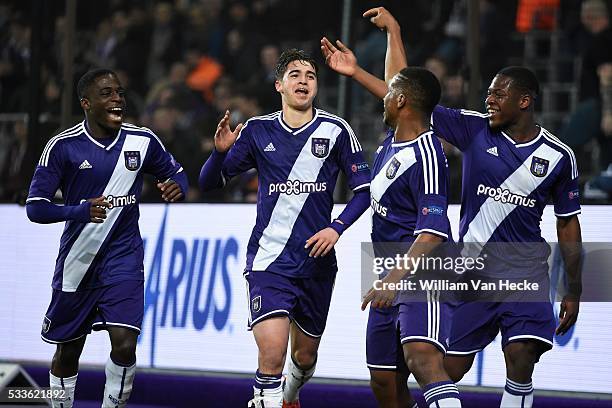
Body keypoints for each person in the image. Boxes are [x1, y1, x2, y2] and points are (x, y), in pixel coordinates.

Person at [322, 7, 582, 408]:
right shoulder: (475, 128)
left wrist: (574, 288)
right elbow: (405, 94)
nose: (488, 99)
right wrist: (393, 34)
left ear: (525, 101)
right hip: (472, 271)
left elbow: (567, 226)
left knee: (520, 357)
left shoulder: (559, 156)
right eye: (489, 92)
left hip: (524, 270)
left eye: (498, 94)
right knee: (447, 369)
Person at [198, 49, 371, 408]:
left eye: (310, 75)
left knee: (304, 358)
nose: (304, 80)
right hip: (269, 262)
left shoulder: (336, 130)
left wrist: (336, 228)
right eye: (295, 74)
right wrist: (218, 153)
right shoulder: (257, 131)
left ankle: (289, 397)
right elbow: (209, 182)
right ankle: (267, 398)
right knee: (272, 357)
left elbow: (364, 192)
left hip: (316, 264)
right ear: (279, 85)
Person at [25, 68, 188, 408]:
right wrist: (78, 211)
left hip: (123, 258)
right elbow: (35, 208)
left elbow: (177, 174)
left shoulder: (142, 140)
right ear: (86, 103)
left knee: (125, 344)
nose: (117, 99)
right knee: (68, 351)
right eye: (106, 93)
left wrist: (177, 187)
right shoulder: (63, 146)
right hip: (78, 261)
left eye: (119, 92)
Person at [355, 66, 462, 407]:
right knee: (384, 380)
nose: (383, 97)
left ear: (401, 101)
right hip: (387, 270)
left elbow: (432, 232)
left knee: (423, 360)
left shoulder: (428, 154)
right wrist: (392, 34)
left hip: (422, 271)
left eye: (389, 94)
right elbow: (397, 79)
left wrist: (393, 280)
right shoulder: (391, 143)